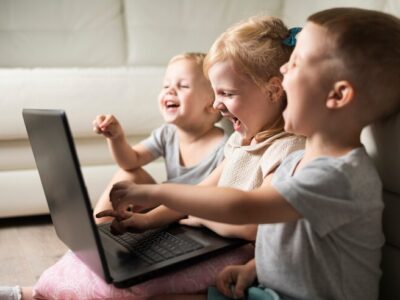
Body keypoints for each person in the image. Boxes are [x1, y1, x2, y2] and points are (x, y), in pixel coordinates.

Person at [101, 7, 400, 300]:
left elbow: (244, 208)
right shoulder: (299, 160)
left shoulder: (338, 176)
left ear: (337, 95)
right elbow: (302, 244)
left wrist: (158, 194)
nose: (282, 70)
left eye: (295, 64)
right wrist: (255, 269)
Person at [30, 15, 305, 300]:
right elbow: (199, 192)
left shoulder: (288, 150)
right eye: (214, 93)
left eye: (227, 93)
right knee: (116, 260)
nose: (216, 104)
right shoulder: (240, 141)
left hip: (242, 254)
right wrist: (148, 222)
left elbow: (253, 226)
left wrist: (198, 213)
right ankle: (36, 293)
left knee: (124, 288)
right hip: (210, 241)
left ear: (273, 90)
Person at [92, 52, 228, 224]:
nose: (170, 90)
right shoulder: (167, 133)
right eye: (166, 86)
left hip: (192, 217)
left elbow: (216, 199)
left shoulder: (225, 148)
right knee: (129, 173)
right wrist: (116, 138)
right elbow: (130, 161)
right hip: (162, 206)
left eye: (183, 86)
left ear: (212, 104)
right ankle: (98, 233)